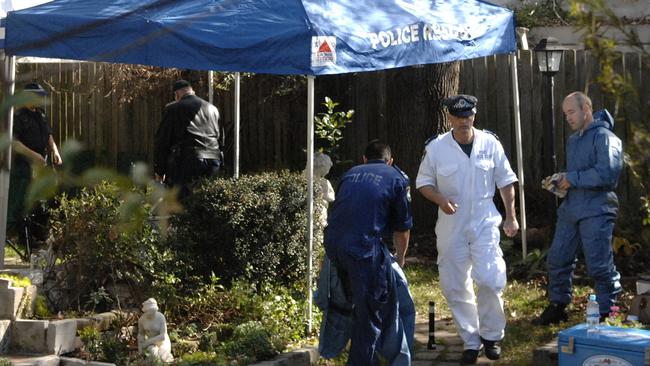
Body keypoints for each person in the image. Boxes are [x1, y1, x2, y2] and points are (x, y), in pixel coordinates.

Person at [416, 95, 518, 364]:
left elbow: (506, 181)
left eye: (468, 115)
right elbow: (423, 182)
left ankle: (492, 335)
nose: (464, 121)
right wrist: (440, 199)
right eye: (458, 116)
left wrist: (511, 217)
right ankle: (472, 341)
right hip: (452, 223)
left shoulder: (490, 143)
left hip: (485, 219)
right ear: (449, 117)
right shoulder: (437, 148)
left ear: (474, 115)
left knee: (490, 279)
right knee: (454, 284)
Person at [533, 91, 623, 326]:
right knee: (558, 258)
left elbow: (608, 174)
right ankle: (558, 306)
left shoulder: (606, 138)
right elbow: (578, 174)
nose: (568, 118)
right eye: (565, 114)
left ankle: (608, 312)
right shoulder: (574, 140)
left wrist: (572, 178)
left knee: (599, 264)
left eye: (571, 112)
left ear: (587, 109)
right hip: (571, 208)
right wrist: (560, 182)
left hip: (598, 208)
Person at [323, 140, 413, 365]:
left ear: (364, 159)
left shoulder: (350, 173)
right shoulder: (396, 178)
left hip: (333, 246)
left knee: (346, 304)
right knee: (370, 313)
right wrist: (400, 258)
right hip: (363, 250)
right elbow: (402, 228)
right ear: (390, 161)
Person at [8, 82, 63, 238]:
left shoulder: (41, 114)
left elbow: (48, 135)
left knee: (46, 198)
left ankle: (41, 234)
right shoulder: (18, 117)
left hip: (42, 164)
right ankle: (24, 237)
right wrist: (34, 156)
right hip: (25, 166)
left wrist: (55, 150)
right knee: (26, 201)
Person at [154, 80, 222, 196]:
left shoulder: (174, 108)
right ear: (192, 91)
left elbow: (163, 141)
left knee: (184, 201)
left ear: (177, 94)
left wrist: (160, 170)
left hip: (189, 159)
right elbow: (221, 137)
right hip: (214, 158)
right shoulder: (213, 109)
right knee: (207, 200)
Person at [138, 298, 174, 362]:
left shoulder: (161, 317)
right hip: (151, 344)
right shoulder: (141, 320)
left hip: (162, 342)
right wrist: (140, 350)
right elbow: (141, 334)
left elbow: (163, 336)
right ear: (145, 311)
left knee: (163, 357)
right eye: (149, 312)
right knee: (153, 355)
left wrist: (147, 342)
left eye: (153, 311)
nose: (152, 313)